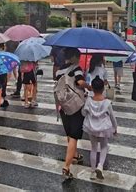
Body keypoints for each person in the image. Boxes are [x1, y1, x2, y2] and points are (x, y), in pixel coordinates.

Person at [55, 48, 92, 180]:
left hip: (63, 105)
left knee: (69, 133)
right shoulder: (77, 68)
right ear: (75, 56)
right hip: (76, 106)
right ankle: (66, 166)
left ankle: (75, 155)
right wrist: (89, 86)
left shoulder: (59, 69)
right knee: (74, 136)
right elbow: (80, 83)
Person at [82, 77, 117, 180]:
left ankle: (93, 170)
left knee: (93, 148)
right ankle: (100, 165)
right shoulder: (107, 103)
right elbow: (112, 117)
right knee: (103, 147)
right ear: (103, 89)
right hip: (104, 128)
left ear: (92, 88)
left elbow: (83, 113)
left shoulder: (88, 101)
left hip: (91, 127)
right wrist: (115, 128)